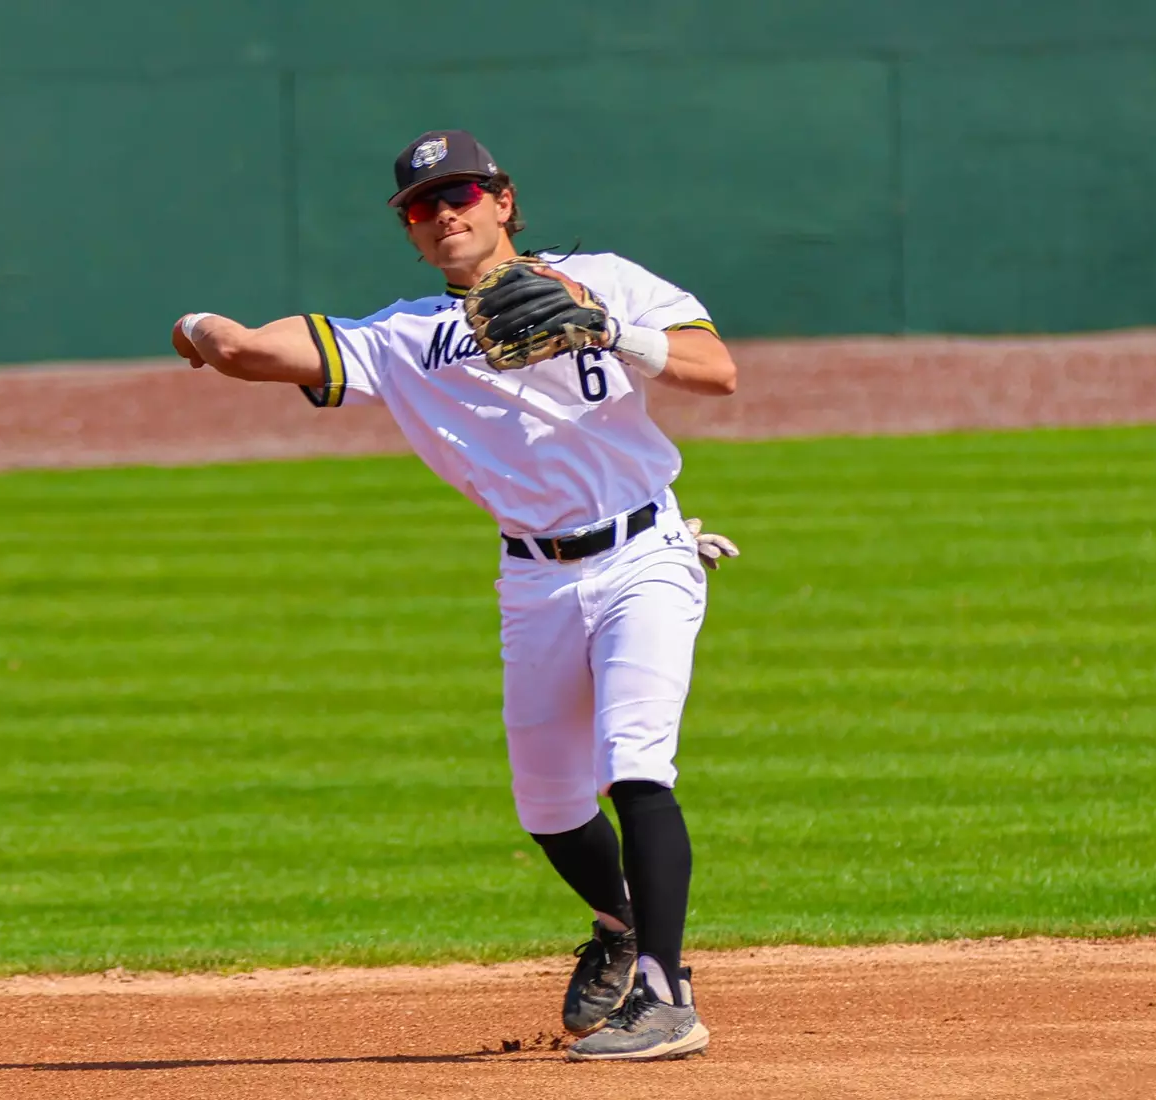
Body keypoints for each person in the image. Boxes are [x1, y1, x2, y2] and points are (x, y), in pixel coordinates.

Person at [171, 129, 739, 1062]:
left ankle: (666, 996)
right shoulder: (401, 339)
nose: (443, 215)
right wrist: (201, 331)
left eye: (460, 195)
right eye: (420, 208)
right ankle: (622, 927)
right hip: (532, 579)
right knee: (550, 807)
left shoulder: (602, 279)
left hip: (647, 552)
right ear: (409, 230)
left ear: (502, 200)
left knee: (635, 762)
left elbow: (716, 372)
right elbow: (254, 352)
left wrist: (604, 327)